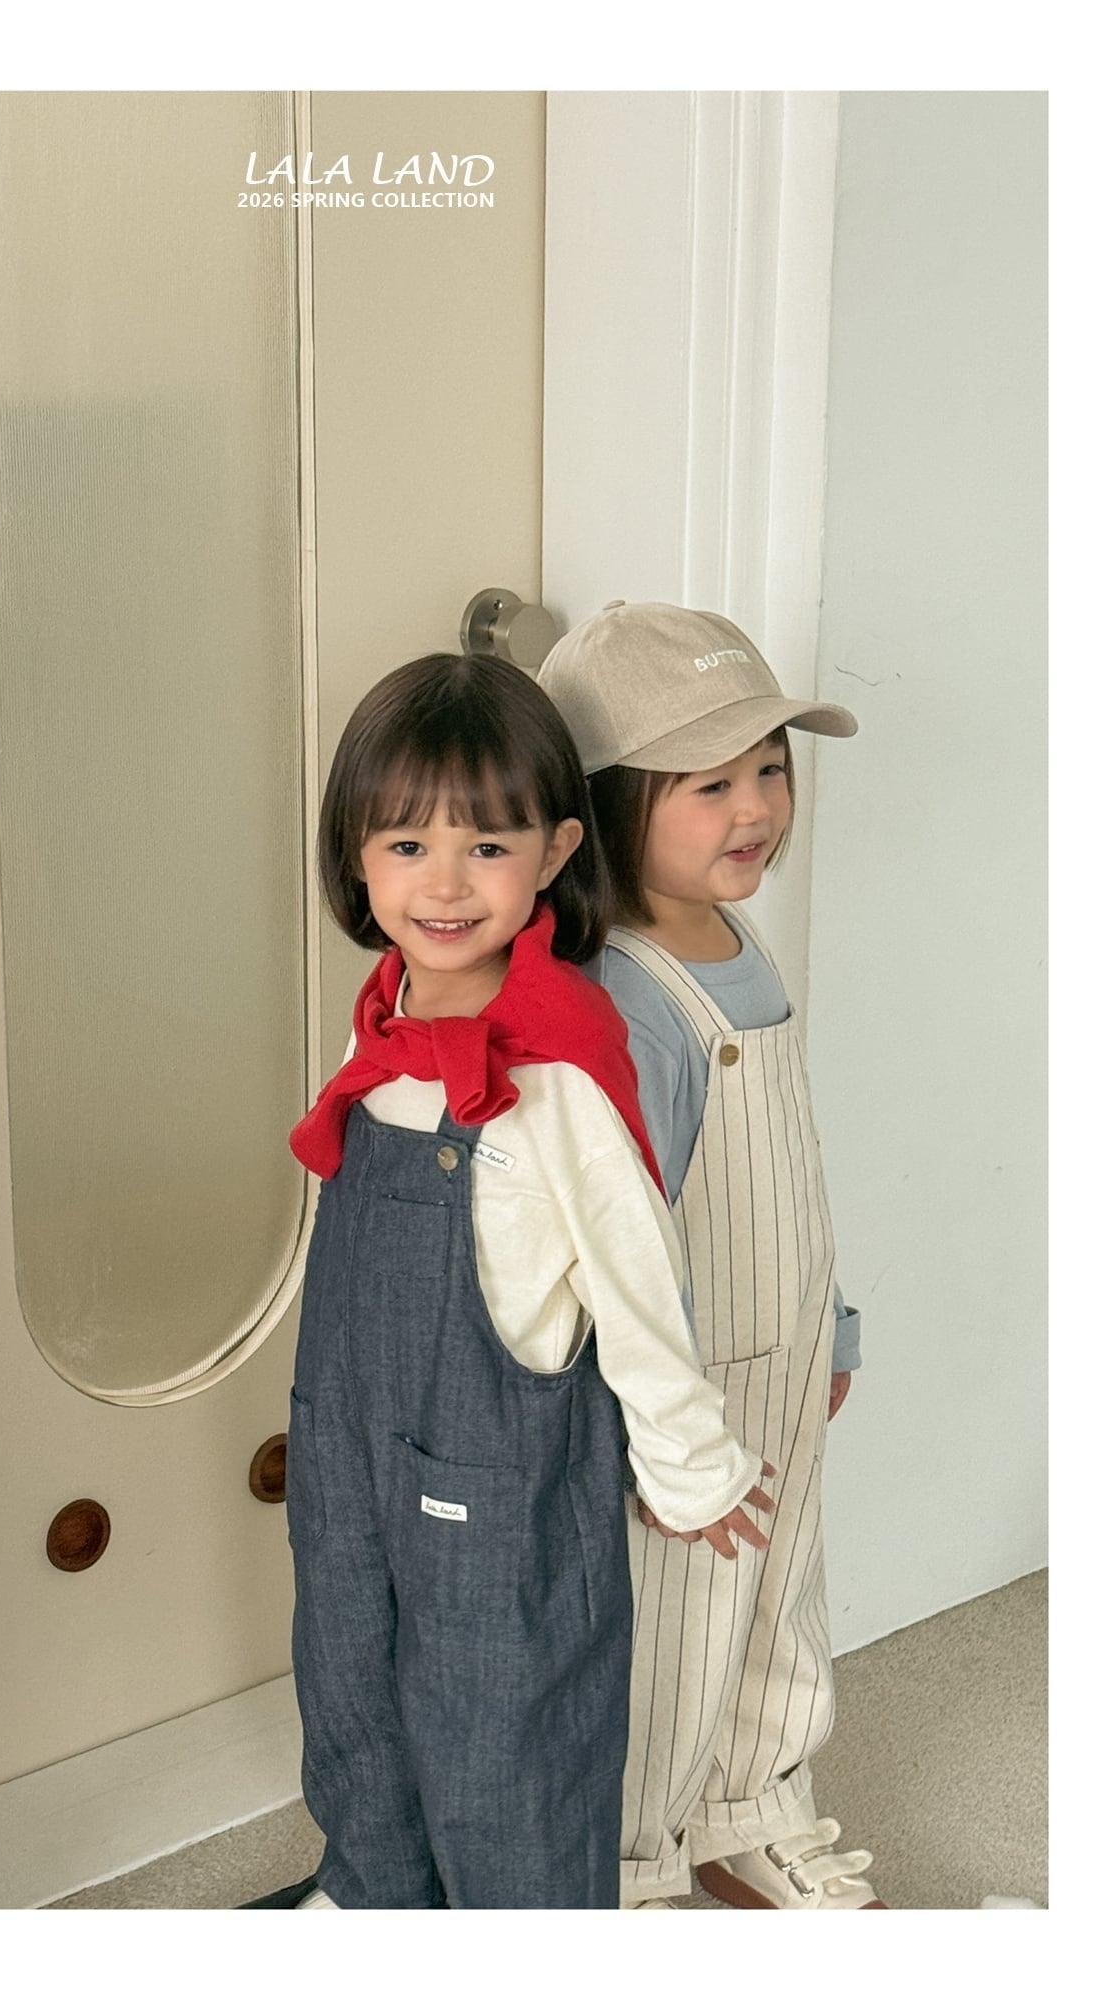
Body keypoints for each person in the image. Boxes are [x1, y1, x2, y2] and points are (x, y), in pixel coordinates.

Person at [284, 650, 772, 1910]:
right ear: (355, 856)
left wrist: (687, 1461)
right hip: (349, 1444)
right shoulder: (382, 1023)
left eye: (485, 847)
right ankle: (374, 1891)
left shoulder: (556, 1070)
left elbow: (634, 1277)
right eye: (406, 845)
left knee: (504, 1729)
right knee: (350, 1683)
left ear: (554, 849)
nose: (443, 883)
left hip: (496, 1475)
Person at [539, 599, 885, 1911]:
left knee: (778, 1592)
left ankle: (756, 1807)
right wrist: (659, 1419)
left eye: (768, 768)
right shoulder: (624, 993)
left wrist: (828, 1327)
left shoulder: (737, 941)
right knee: (675, 1627)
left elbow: (787, 1164)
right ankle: (625, 1863)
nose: (755, 808)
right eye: (709, 783)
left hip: (777, 1347)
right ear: (605, 804)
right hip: (687, 1380)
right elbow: (617, 1229)